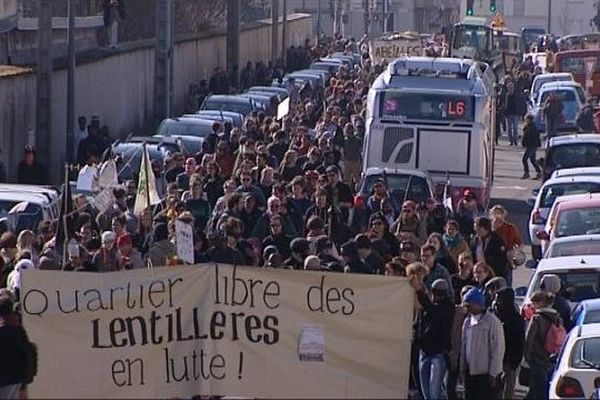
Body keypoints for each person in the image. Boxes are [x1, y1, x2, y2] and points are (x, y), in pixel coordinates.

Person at [411, 277, 455, 400]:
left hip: (439, 353)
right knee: (426, 392)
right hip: (424, 352)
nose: (437, 295)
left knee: (434, 392)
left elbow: (432, 311)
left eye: (440, 293)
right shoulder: (427, 308)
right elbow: (420, 323)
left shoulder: (447, 308)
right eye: (435, 292)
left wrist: (419, 291)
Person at [460, 288, 505, 400]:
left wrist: (494, 373)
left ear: (477, 304)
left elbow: (498, 349)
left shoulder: (492, 322)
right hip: (469, 372)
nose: (466, 307)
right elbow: (464, 346)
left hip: (485, 374)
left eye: (468, 304)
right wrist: (462, 367)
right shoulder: (467, 322)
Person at [524, 291, 561, 400]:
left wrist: (527, 357)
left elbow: (528, 339)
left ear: (540, 303)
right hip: (551, 359)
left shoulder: (537, 318)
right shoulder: (557, 318)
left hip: (537, 359)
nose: (532, 306)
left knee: (536, 390)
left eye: (533, 303)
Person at [0, 293, 35, 399]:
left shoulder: (3, 330)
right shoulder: (18, 328)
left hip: (4, 379)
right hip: (18, 378)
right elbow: (27, 351)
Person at [494, 287, 525, 400]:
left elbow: (519, 342)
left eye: (499, 300)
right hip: (495, 360)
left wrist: (514, 363)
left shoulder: (515, 319)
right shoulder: (496, 317)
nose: (497, 303)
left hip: (509, 362)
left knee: (507, 392)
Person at [521, 114, 542, 180]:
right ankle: (539, 172)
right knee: (532, 159)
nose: (526, 120)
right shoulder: (528, 127)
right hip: (530, 146)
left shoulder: (533, 128)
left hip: (532, 146)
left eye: (527, 119)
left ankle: (527, 173)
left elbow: (534, 137)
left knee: (525, 159)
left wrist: (535, 144)